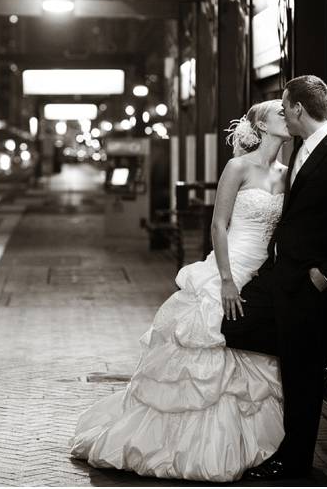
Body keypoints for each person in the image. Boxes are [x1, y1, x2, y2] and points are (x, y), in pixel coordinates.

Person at [70, 99, 291, 482]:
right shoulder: (237, 167)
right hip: (230, 269)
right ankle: (185, 447)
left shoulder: (288, 173)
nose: (288, 117)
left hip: (263, 276)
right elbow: (218, 225)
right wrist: (225, 279)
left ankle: (245, 444)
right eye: (281, 113)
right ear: (260, 124)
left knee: (247, 359)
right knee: (204, 352)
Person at [221, 75, 327, 479]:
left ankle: (294, 466)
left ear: (296, 109)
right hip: (279, 279)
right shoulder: (302, 153)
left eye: (284, 106)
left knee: (301, 377)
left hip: (309, 288)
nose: (283, 113)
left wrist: (326, 277)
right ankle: (312, 367)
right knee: (240, 332)